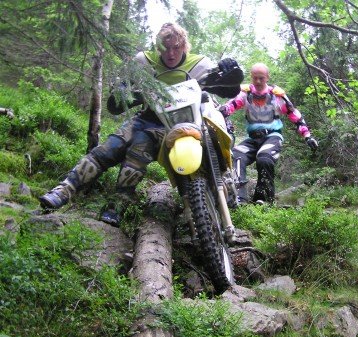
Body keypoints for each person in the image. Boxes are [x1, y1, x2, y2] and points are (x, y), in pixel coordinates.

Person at [39, 22, 242, 226]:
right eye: (166, 48)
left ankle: (117, 204)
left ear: (184, 46)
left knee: (138, 152)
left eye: (176, 47)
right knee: (108, 149)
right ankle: (64, 189)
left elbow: (228, 90)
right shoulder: (143, 62)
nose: (171, 53)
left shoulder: (199, 64)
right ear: (158, 47)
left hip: (180, 124)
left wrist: (230, 70)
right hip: (146, 117)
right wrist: (125, 89)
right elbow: (116, 102)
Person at [219, 63, 318, 204]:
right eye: (255, 78)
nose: (258, 81)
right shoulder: (245, 93)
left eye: (261, 78)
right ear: (251, 77)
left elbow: (294, 114)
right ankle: (239, 198)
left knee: (264, 158)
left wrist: (307, 136)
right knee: (236, 156)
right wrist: (222, 111)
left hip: (272, 136)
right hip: (252, 138)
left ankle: (263, 199)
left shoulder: (277, 95)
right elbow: (231, 105)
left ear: (267, 77)